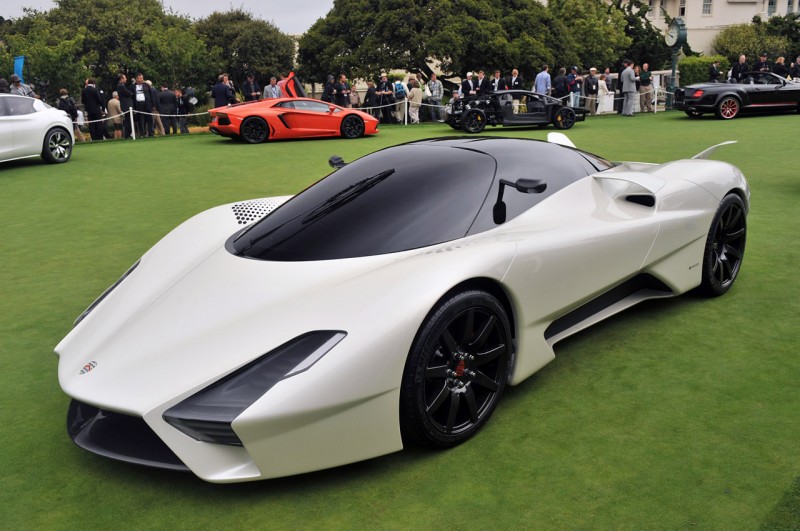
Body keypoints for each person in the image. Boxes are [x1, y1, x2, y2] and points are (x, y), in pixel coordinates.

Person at [116, 73, 134, 139]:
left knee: (128, 120)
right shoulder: (121, 86)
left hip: (126, 105)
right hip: (126, 105)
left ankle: (129, 134)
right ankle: (127, 135)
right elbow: (128, 93)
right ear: (121, 79)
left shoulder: (122, 85)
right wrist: (132, 93)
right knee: (128, 121)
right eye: (125, 78)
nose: (126, 79)